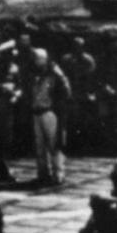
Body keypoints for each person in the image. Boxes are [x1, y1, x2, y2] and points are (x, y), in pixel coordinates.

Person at [27, 48, 71, 187]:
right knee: (39, 147)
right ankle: (42, 173)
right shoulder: (33, 74)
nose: (36, 61)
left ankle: (58, 173)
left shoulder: (55, 74)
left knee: (54, 145)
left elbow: (66, 91)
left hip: (50, 112)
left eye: (38, 58)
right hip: (36, 112)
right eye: (35, 58)